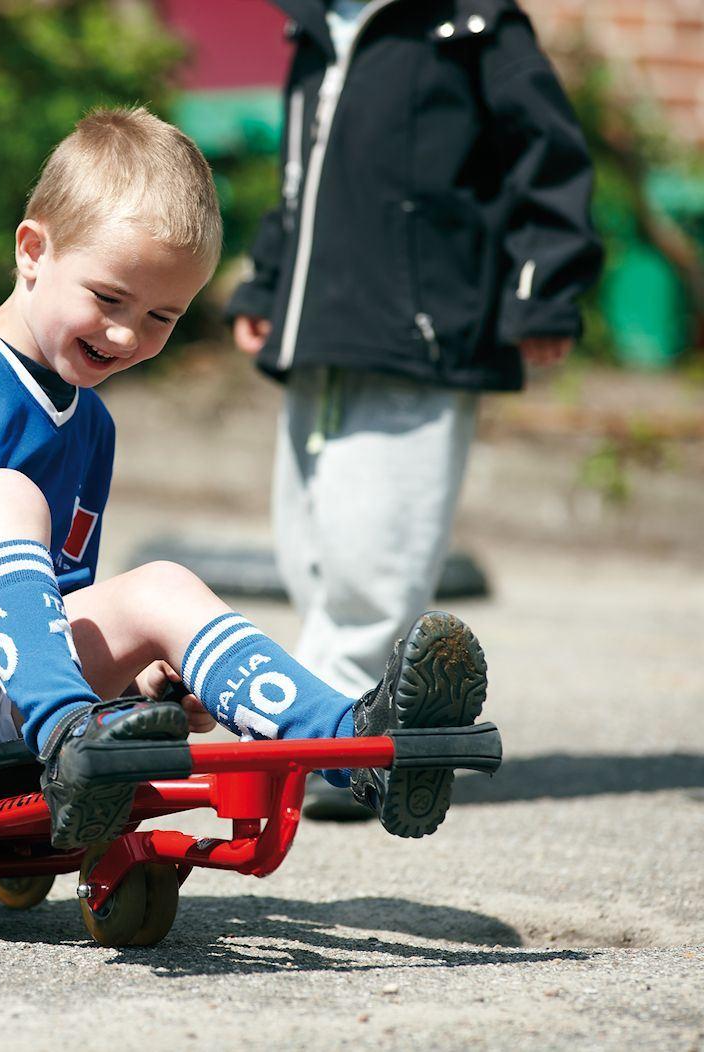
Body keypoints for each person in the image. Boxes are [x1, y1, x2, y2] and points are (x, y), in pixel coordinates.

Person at [0, 106, 490, 850]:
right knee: (2, 495)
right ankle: (75, 740)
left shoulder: (92, 426)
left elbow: (45, 616)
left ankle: (357, 748)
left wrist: (143, 684)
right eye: (108, 299)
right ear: (33, 250)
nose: (127, 335)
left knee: (161, 584)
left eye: (163, 317)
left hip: (4, 711)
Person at [227, 0, 601, 818]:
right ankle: (314, 727)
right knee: (312, 547)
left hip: (421, 331)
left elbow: (551, 155)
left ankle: (342, 749)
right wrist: (266, 277)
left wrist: (544, 290)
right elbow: (300, 174)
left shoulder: (468, 25)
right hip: (321, 325)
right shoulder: (318, 27)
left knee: (376, 550)